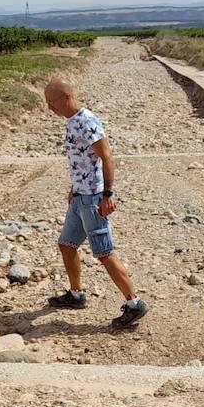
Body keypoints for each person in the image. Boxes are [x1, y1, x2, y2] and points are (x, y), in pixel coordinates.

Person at [43, 77, 148, 330]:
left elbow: (107, 157)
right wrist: (74, 189)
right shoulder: (71, 122)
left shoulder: (87, 121)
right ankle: (76, 295)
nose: (50, 108)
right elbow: (82, 161)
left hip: (93, 199)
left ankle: (135, 304)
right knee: (67, 245)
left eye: (52, 102)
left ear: (66, 97)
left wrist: (108, 194)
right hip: (80, 197)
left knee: (103, 252)